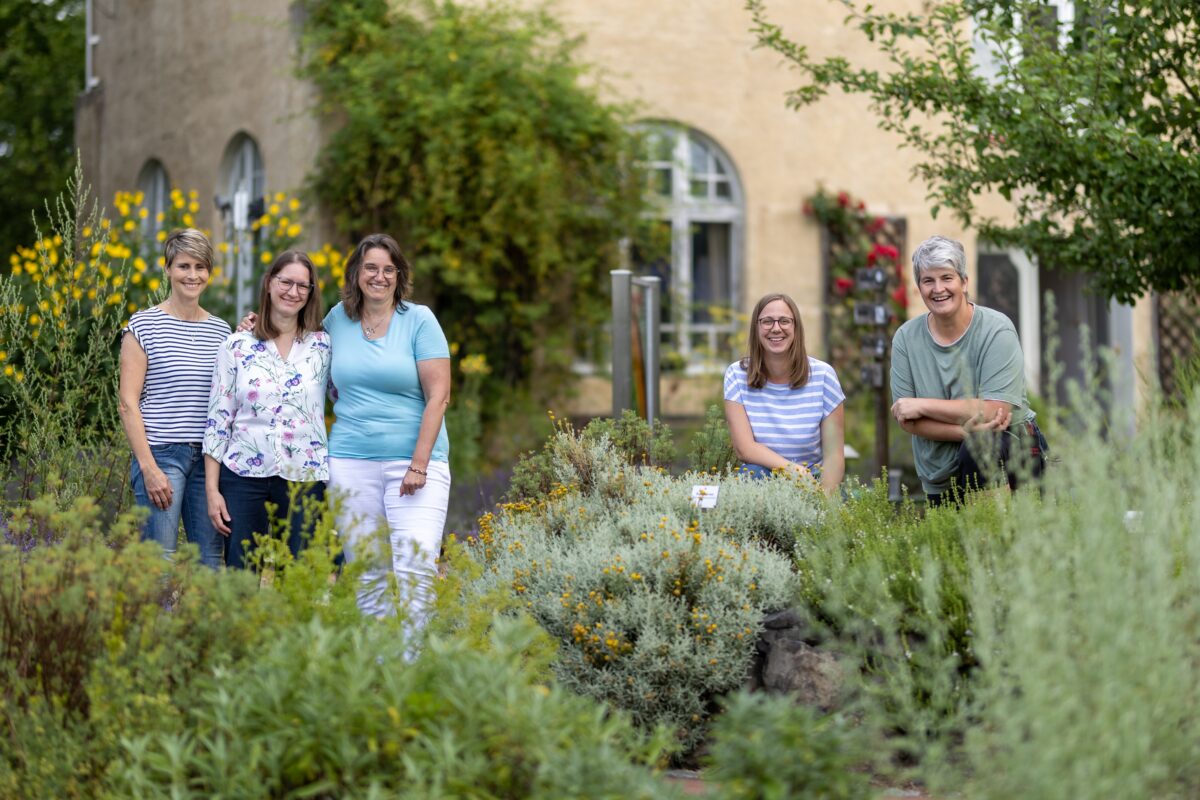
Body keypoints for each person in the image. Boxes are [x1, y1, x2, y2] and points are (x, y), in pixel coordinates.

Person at [322, 233, 451, 629]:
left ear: (399, 275)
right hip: (349, 462)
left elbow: (439, 395)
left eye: (388, 269)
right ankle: (378, 674)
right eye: (371, 268)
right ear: (357, 273)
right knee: (367, 574)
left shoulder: (419, 320)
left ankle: (413, 671)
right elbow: (296, 352)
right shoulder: (336, 319)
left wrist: (418, 465)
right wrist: (253, 324)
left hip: (413, 466)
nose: (379, 277)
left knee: (416, 570)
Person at [890, 235, 1047, 506]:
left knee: (1000, 543)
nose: (938, 289)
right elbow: (907, 419)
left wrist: (921, 404)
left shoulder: (996, 330)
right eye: (928, 280)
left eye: (947, 278)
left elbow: (994, 412)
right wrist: (964, 432)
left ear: (964, 282)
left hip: (1010, 463)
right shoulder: (905, 338)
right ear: (919, 287)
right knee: (951, 547)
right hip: (939, 471)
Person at [203, 251, 331, 569]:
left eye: (303, 285)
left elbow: (350, 395)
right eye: (285, 281)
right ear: (269, 283)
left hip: (304, 474)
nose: (293, 291)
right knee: (241, 576)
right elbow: (218, 420)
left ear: (311, 292)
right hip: (243, 476)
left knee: (300, 578)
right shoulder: (236, 346)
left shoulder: (323, 347)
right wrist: (212, 490)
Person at [118, 228, 230, 567]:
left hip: (208, 462)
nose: (192, 275)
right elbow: (127, 402)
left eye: (200, 267)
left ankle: (203, 623)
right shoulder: (144, 325)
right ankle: (156, 623)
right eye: (183, 266)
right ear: (167, 269)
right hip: (162, 456)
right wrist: (148, 467)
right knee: (159, 562)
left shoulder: (221, 331)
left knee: (209, 560)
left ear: (209, 272)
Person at [724, 292, 846, 495]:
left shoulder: (824, 376)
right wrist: (791, 470)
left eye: (784, 321)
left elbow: (834, 455)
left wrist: (823, 499)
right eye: (767, 321)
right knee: (751, 473)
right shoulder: (737, 375)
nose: (776, 328)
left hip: (813, 479)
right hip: (759, 480)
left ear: (796, 328)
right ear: (756, 328)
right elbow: (744, 448)